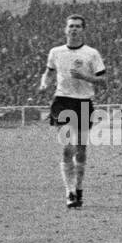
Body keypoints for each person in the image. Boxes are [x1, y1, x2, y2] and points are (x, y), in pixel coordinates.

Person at [38, 15, 105, 209]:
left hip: (84, 103)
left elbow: (104, 80)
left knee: (81, 150)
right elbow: (49, 72)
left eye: (77, 26)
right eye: (71, 26)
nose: (74, 29)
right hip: (62, 101)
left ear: (83, 30)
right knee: (68, 146)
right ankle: (70, 192)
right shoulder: (55, 52)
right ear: (65, 30)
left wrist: (86, 77)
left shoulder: (91, 54)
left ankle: (79, 187)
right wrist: (44, 83)